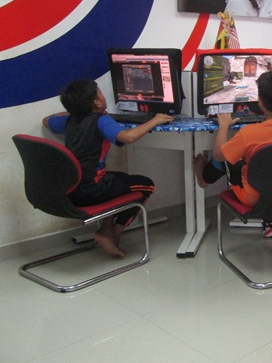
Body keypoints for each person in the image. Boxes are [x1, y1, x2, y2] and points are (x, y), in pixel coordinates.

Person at [42, 79, 174, 258]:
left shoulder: (69, 120)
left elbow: (46, 121)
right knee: (146, 185)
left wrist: (75, 111)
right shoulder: (101, 120)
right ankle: (115, 233)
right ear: (96, 103)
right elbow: (127, 137)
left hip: (71, 189)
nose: (103, 96)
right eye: (100, 93)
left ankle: (105, 229)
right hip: (92, 190)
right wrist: (154, 121)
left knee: (121, 179)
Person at [194, 71, 272, 206]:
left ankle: (203, 180)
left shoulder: (249, 133)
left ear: (260, 101)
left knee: (227, 155)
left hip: (255, 199)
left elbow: (218, 155)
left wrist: (223, 126)